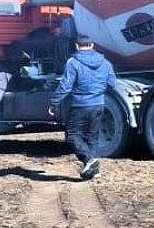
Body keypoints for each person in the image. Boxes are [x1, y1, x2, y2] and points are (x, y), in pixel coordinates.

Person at [49, 35, 116, 180]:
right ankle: (94, 171)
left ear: (77, 46)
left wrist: (54, 102)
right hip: (98, 104)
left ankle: (89, 160)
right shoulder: (105, 63)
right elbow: (112, 83)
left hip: (80, 105)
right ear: (92, 45)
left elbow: (65, 86)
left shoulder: (73, 62)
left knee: (72, 136)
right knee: (92, 137)